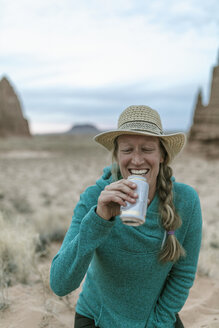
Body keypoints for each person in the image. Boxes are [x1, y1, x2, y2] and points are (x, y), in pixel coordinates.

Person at [50, 105, 202, 328]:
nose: (137, 160)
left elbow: (183, 275)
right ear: (117, 155)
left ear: (162, 155)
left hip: (156, 318)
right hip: (97, 318)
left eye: (147, 149)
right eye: (127, 150)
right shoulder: (95, 198)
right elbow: (60, 283)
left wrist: (157, 323)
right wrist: (99, 219)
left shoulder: (186, 201)